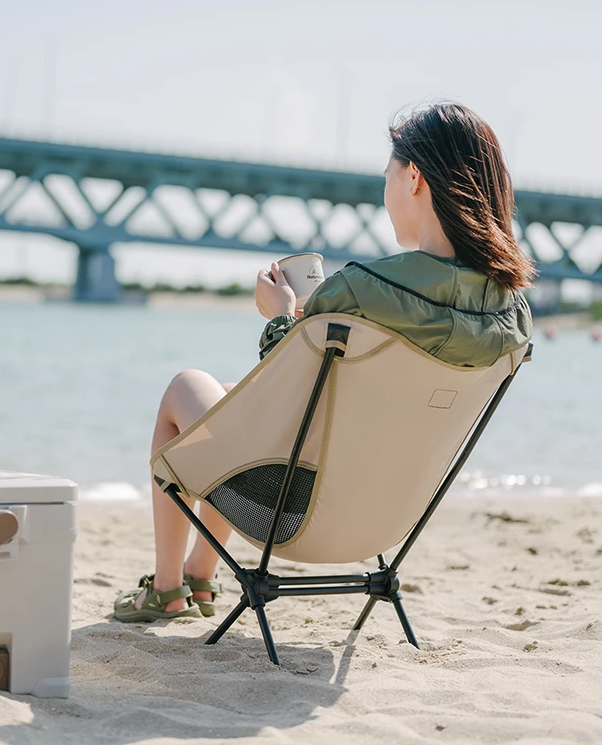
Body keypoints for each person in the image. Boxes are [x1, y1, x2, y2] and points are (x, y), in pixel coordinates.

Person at [113, 102, 535, 622]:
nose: (385, 192)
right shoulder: (512, 315)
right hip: (384, 523)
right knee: (225, 393)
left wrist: (281, 316)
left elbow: (285, 400)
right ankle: (200, 574)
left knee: (185, 387)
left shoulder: (359, 289)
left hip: (291, 515)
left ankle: (168, 588)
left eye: (387, 176)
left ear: (414, 178)